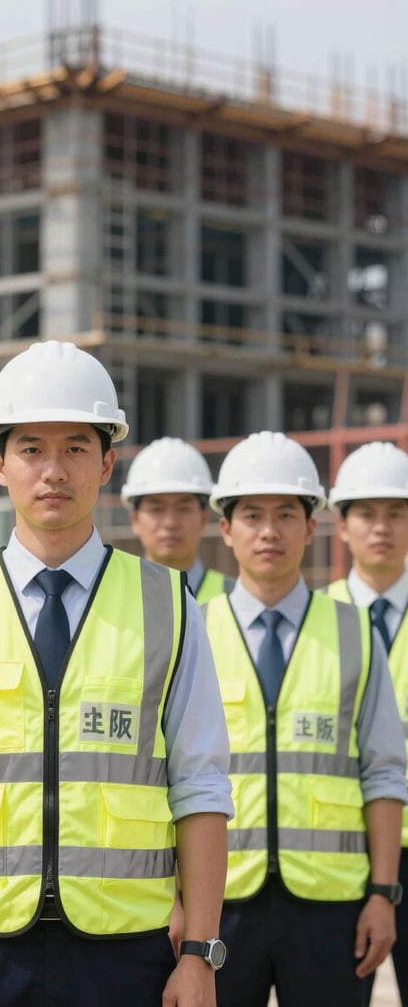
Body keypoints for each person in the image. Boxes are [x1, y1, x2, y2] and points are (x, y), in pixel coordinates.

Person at [0, 340, 232, 1007]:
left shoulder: (169, 604)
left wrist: (200, 954)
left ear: (107, 462)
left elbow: (202, 787)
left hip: (126, 955)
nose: (54, 470)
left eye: (75, 447)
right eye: (32, 448)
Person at [202, 430, 407, 1007]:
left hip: (332, 908)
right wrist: (175, 902)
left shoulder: (354, 633)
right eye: (253, 515)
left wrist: (383, 895)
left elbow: (384, 772)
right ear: (226, 528)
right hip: (220, 903)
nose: (270, 531)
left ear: (311, 526)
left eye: (287, 515)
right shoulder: (191, 631)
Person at [326, 441, 408, 1004]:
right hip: (338, 858)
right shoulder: (312, 621)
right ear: (341, 525)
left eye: (397, 513)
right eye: (366, 513)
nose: (381, 527)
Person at [121, 436, 234, 600]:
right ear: (135, 520)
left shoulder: (231, 598)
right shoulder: (111, 597)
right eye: (156, 509)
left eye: (184, 509)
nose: (170, 523)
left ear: (204, 519)